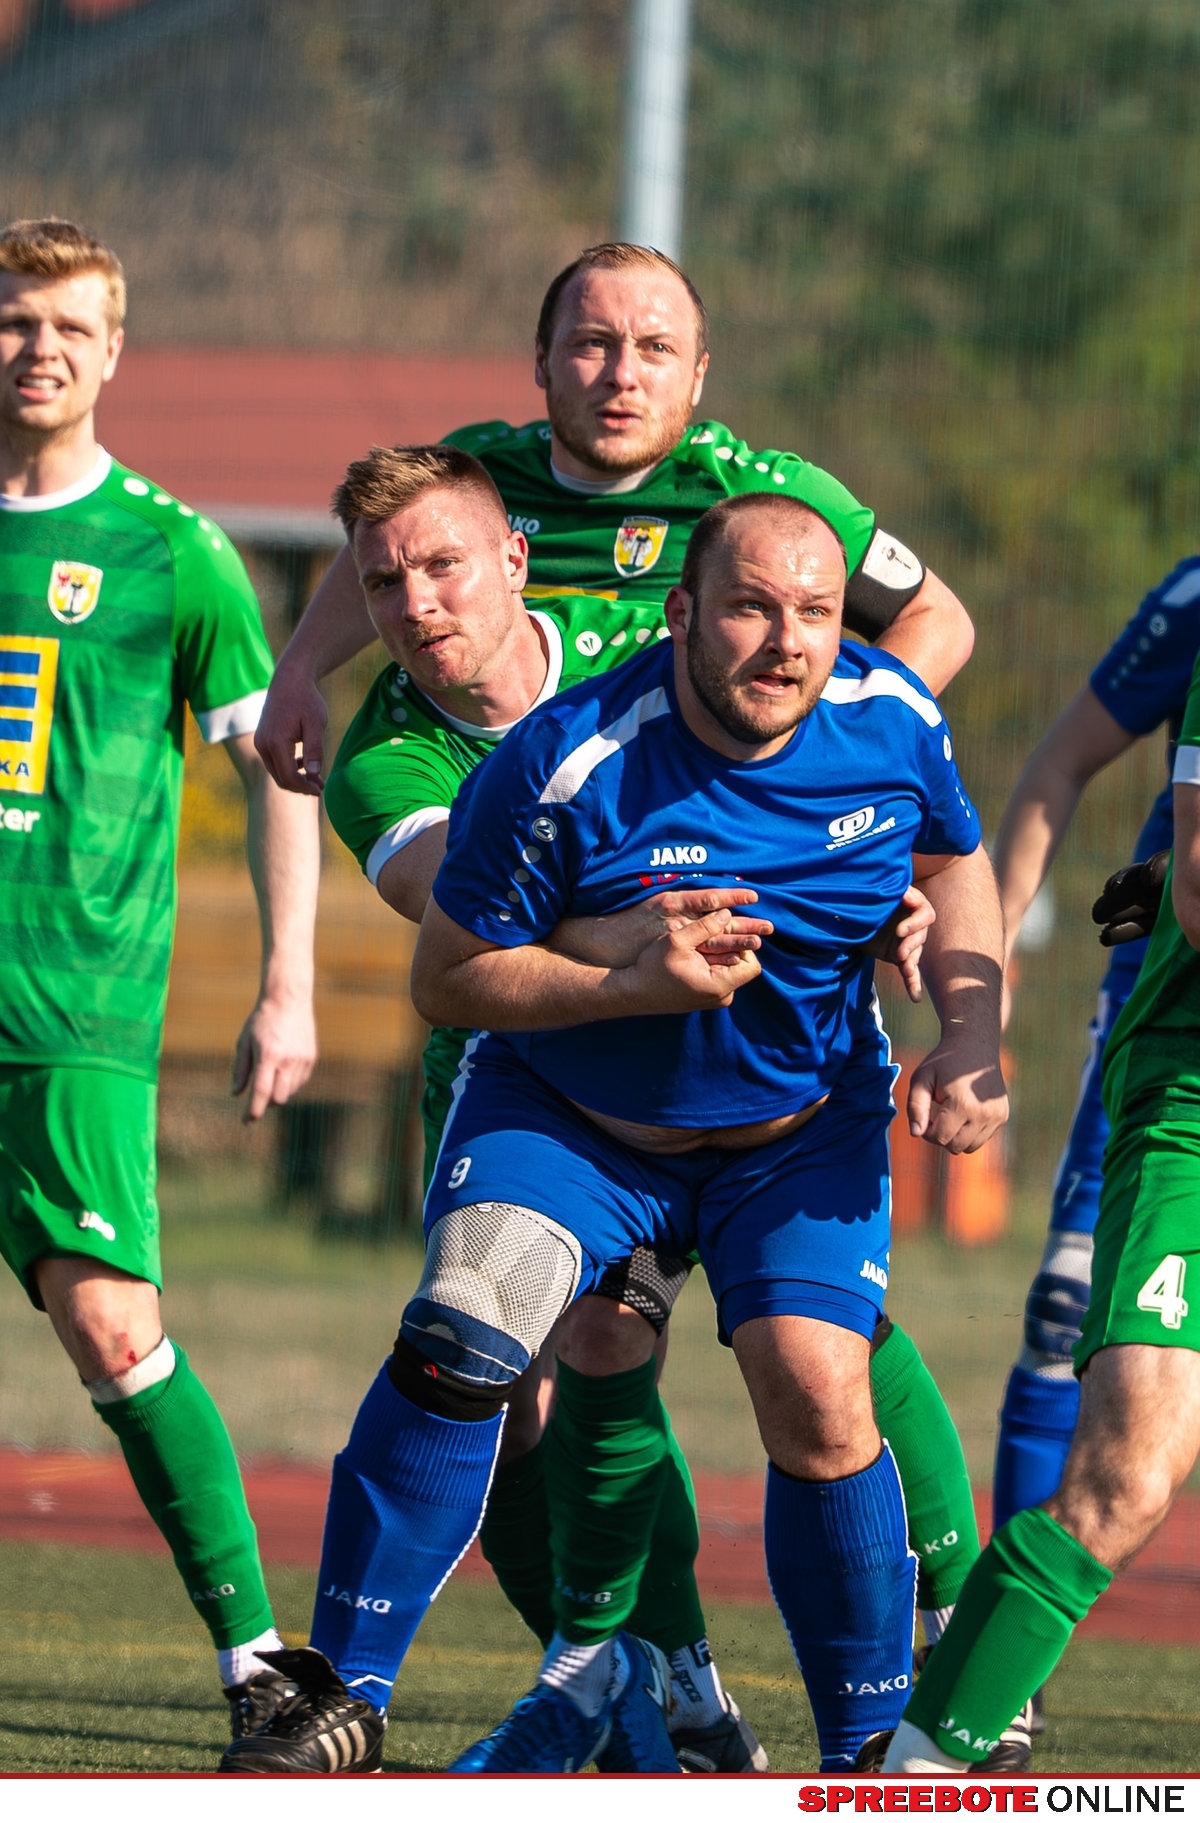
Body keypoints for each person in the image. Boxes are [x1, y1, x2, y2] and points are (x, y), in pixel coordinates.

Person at [254, 242, 989, 1752]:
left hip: (785, 1106)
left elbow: (944, 809)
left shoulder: (828, 643)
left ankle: (887, 1720)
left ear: (519, 562)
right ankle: (492, 1677)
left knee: (820, 1367)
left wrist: (921, 962)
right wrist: (633, 961)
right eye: (390, 585)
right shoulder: (493, 751)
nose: (421, 604)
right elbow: (454, 959)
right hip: (570, 1094)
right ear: (681, 614)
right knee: (491, 1333)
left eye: (447, 570)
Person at [0, 219, 320, 1757]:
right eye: (14, 320)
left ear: (115, 350)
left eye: (69, 324)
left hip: (73, 1016)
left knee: (114, 1325)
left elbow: (279, 768)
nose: (38, 348)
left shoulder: (170, 550)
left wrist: (290, 981)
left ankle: (260, 1660)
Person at [883, 605, 1200, 1773]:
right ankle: (931, 1762)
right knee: (1124, 1473)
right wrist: (999, 955)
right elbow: (1193, 883)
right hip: (1191, 1100)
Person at [988, 559, 1200, 1700]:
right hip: (1168, 1028)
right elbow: (1059, 764)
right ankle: (996, 1682)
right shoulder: (1194, 601)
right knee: (1067, 1307)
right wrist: (989, 952)